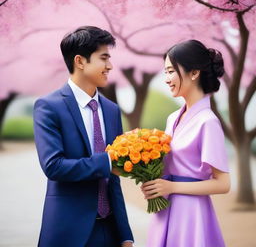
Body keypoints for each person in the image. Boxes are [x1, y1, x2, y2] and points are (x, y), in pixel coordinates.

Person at [33, 26, 134, 247]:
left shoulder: (111, 110)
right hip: (68, 231)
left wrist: (125, 234)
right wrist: (107, 161)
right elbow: (54, 166)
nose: (110, 66)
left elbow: (113, 179)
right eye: (104, 58)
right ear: (80, 61)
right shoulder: (48, 107)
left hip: (110, 231)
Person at [141, 39, 230, 247]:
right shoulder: (173, 118)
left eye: (171, 71)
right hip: (164, 210)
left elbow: (223, 184)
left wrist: (171, 186)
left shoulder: (208, 121)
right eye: (165, 72)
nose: (166, 79)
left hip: (191, 214)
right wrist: (150, 181)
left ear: (194, 72)